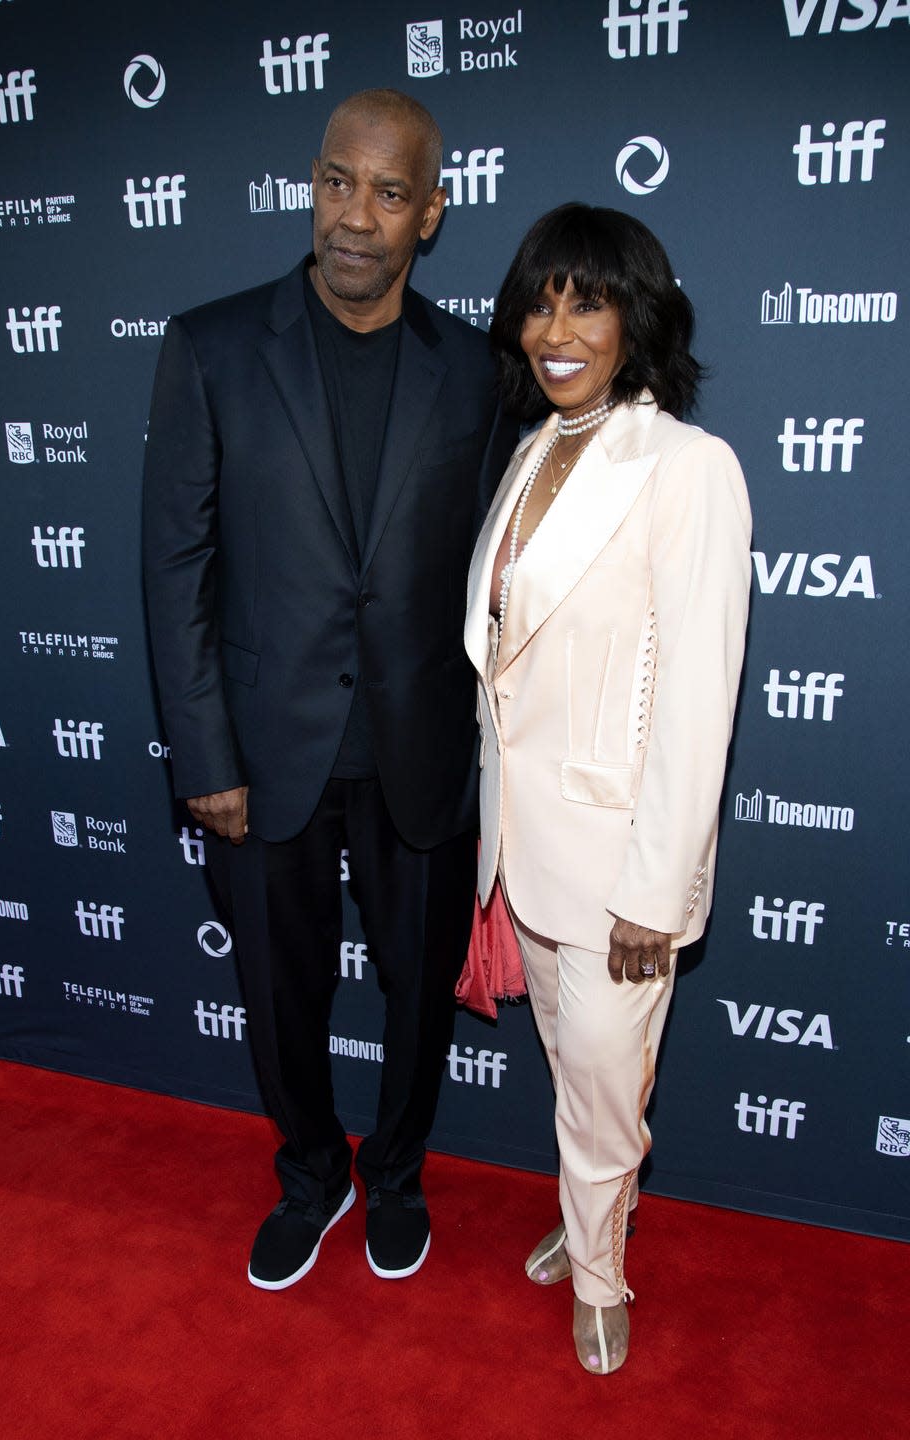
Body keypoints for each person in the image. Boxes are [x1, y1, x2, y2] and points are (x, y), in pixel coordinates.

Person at [143, 89, 516, 1291]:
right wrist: (204, 759)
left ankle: (397, 1174)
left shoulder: (478, 372)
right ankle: (311, 1173)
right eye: (338, 182)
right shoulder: (209, 347)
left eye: (390, 192)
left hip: (421, 755)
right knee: (277, 996)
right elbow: (176, 566)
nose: (357, 216)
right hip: (262, 757)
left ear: (432, 214)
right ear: (313, 182)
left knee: (418, 1006)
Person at [464, 204, 751, 1373]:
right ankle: (596, 1214)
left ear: (639, 318)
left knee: (603, 1090)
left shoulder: (686, 467)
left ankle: (599, 1273)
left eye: (586, 299)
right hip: (520, 845)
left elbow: (698, 699)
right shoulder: (536, 449)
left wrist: (656, 888)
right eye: (541, 300)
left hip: (618, 863)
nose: (558, 327)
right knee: (580, 1079)